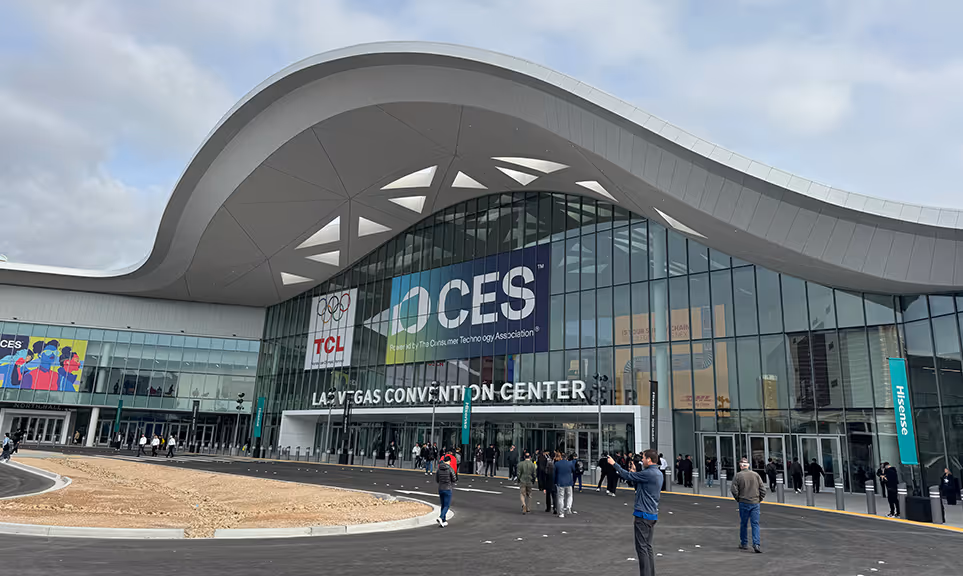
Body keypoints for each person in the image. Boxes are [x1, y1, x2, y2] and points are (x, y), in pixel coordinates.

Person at [610, 449, 662, 576]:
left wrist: (614, 464)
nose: (642, 460)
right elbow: (639, 486)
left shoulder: (649, 473)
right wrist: (634, 472)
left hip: (643, 514)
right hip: (651, 513)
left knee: (642, 549)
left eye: (643, 458)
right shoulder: (657, 473)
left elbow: (627, 476)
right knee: (647, 547)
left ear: (649, 460)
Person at [731, 457, 765, 553]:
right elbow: (763, 489)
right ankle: (756, 544)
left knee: (744, 523)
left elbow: (733, 490)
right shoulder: (756, 475)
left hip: (743, 502)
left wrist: (738, 498)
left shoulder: (738, 476)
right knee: (755, 524)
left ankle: (744, 543)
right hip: (755, 502)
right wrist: (759, 499)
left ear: (740, 466)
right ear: (748, 465)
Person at [435, 452, 457, 527]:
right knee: (447, 505)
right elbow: (454, 479)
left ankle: (443, 521)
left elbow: (437, 479)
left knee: (443, 504)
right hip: (448, 488)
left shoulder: (439, 469)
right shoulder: (450, 469)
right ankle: (441, 517)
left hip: (440, 488)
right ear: (449, 461)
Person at [554, 451, 576, 518]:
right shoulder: (570, 463)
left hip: (560, 482)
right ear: (567, 458)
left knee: (561, 497)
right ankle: (568, 507)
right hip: (569, 482)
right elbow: (574, 470)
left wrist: (555, 482)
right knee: (569, 495)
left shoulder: (557, 464)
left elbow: (554, 474)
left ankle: (561, 513)